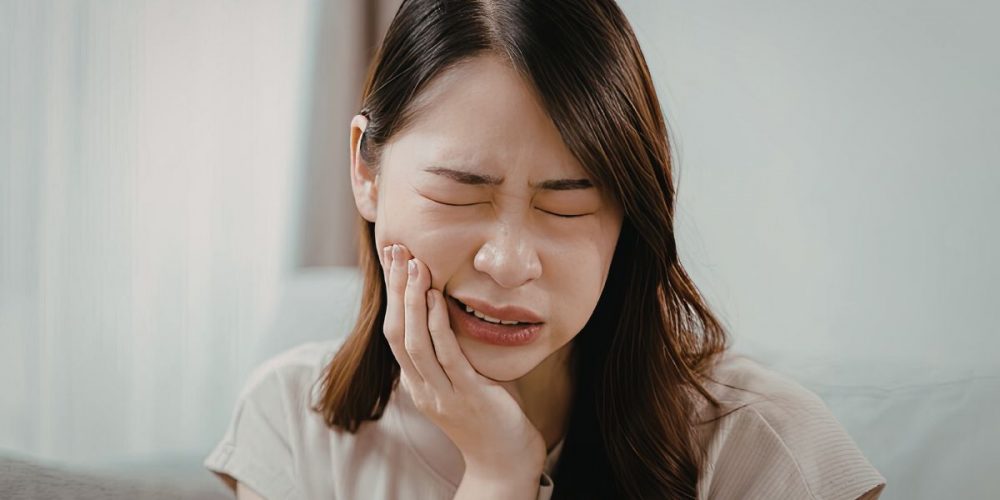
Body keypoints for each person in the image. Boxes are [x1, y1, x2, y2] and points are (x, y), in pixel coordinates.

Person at [204, 0, 887, 498]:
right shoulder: (294, 422)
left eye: (566, 203)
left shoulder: (767, 450)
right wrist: (498, 472)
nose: (508, 261)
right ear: (366, 170)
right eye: (462, 193)